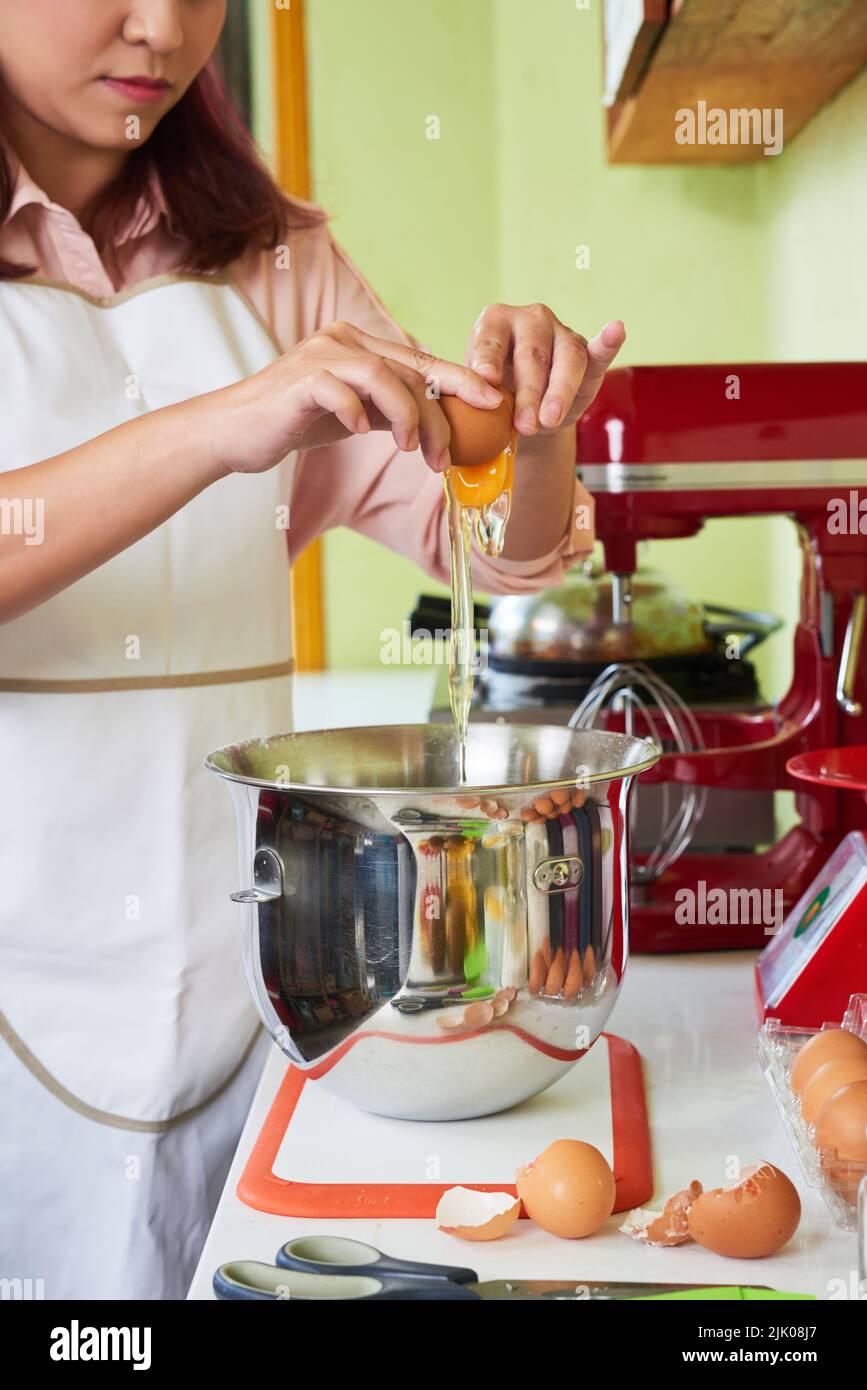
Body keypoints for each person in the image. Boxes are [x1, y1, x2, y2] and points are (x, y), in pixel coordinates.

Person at [0, 0, 624, 1300]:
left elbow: (504, 544)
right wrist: (218, 425)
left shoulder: (279, 260)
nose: (161, 24)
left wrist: (535, 422)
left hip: (252, 991)